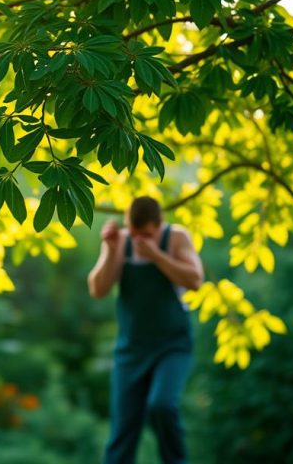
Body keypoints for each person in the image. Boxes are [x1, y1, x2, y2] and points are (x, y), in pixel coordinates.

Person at [88, 195, 204, 464]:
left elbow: (195, 280)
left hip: (172, 347)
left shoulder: (176, 238)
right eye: (135, 233)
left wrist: (156, 255)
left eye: (147, 234)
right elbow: (98, 289)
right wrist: (111, 249)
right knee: (122, 433)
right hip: (131, 351)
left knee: (162, 405)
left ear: (160, 224)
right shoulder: (123, 242)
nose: (140, 240)